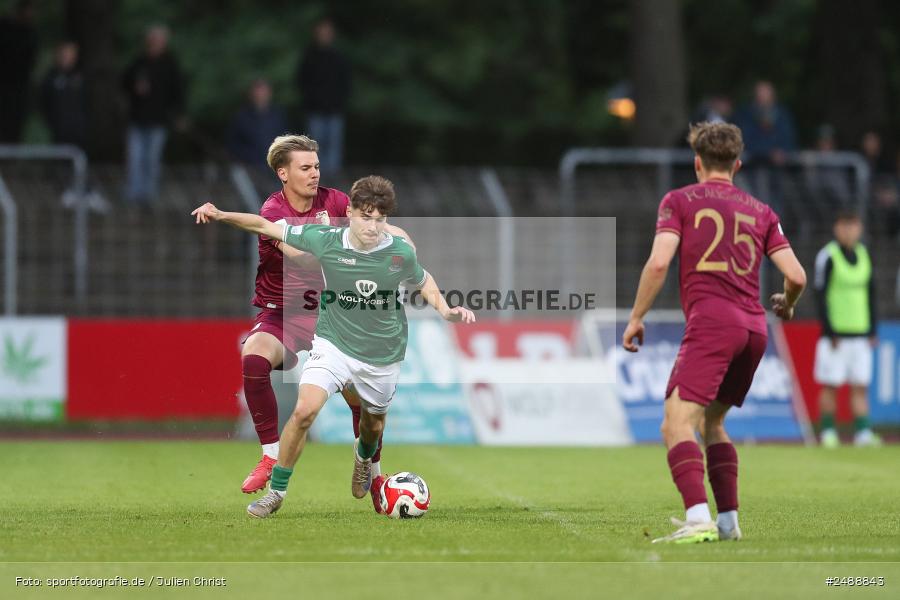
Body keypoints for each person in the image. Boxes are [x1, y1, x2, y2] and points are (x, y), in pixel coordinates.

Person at [192, 175, 475, 518]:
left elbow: (423, 279)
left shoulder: (398, 253)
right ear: (350, 212)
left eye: (380, 220)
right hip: (333, 345)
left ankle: (362, 457)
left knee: (373, 428)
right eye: (366, 217)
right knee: (304, 411)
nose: (373, 227)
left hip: (381, 356)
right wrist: (221, 214)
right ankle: (276, 493)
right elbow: (265, 225)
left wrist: (446, 310)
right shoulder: (326, 239)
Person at [623, 122, 806, 544]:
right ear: (738, 165)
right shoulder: (762, 211)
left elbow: (657, 264)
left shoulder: (679, 201)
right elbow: (795, 275)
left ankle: (698, 516)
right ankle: (727, 523)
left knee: (674, 424)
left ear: (697, 162)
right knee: (712, 421)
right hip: (755, 328)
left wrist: (636, 317)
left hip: (713, 323)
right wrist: (788, 303)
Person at [231, 134, 412, 514]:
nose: (315, 173)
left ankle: (373, 474)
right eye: (306, 167)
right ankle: (270, 455)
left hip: (333, 313)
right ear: (283, 173)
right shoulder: (273, 211)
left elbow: (372, 226)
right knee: (254, 357)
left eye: (317, 166)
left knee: (361, 406)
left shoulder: (336, 201)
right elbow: (304, 260)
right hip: (284, 311)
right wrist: (333, 237)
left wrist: (398, 239)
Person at [813, 210, 881, 447]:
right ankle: (828, 432)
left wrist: (873, 330)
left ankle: (862, 433)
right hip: (836, 336)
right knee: (831, 385)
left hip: (860, 334)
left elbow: (872, 295)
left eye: (853, 225)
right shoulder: (828, 256)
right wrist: (829, 331)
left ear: (860, 228)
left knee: (860, 385)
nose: (849, 231)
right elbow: (819, 295)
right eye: (845, 225)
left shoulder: (865, 254)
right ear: (836, 227)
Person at [121, 24, 185, 205]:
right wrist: (135, 87)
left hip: (158, 121)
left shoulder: (170, 64)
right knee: (134, 159)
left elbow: (177, 91)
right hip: (137, 119)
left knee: (152, 160)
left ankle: (149, 196)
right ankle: (134, 196)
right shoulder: (138, 62)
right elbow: (124, 82)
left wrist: (179, 114)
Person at [296, 18, 351, 174]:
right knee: (314, 152)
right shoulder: (309, 57)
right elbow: (301, 82)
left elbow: (346, 84)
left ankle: (331, 187)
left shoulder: (339, 58)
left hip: (335, 112)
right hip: (315, 112)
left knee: (334, 151)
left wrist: (339, 104)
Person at [226, 79, 287, 172]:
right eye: (257, 93)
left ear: (269, 94)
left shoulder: (278, 116)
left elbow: (286, 140)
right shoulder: (241, 118)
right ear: (251, 95)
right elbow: (233, 145)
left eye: (263, 92)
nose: (260, 96)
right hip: (249, 167)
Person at [0, 0, 37, 143]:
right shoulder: (5, 28)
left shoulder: (30, 33)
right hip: (5, 85)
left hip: (19, 88)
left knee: (14, 126)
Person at [40, 41, 87, 148]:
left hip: (79, 131)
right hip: (57, 130)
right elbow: (43, 102)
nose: (66, 57)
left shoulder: (81, 77)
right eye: (64, 54)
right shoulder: (50, 77)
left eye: (70, 54)